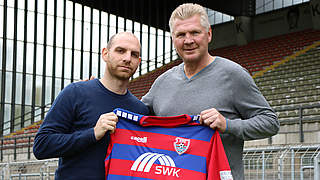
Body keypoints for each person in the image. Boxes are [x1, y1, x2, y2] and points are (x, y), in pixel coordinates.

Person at [141, 3, 279, 180]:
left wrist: (228, 125)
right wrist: (100, 89)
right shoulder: (162, 82)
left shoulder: (233, 74)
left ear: (209, 34)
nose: (188, 40)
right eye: (181, 34)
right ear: (173, 39)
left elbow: (270, 123)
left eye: (195, 32)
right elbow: (135, 117)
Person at [33, 32, 149, 180]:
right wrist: (92, 133)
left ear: (138, 61)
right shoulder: (75, 93)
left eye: (134, 54)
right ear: (105, 54)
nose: (127, 58)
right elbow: (42, 146)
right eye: (120, 51)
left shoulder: (140, 111)